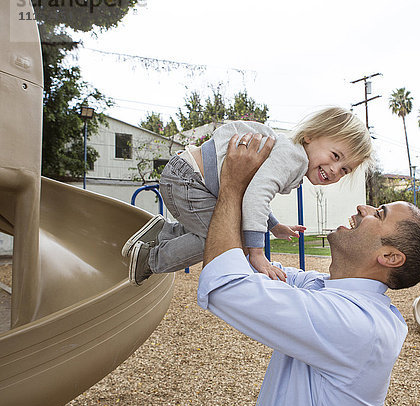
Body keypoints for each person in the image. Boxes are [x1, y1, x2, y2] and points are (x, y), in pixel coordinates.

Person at [198, 133, 420, 406]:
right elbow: (241, 264)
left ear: (389, 257)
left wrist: (232, 186)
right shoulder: (324, 289)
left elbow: (225, 286)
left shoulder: (357, 324)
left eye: (380, 214)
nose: (363, 208)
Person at [123, 106, 373, 285]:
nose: (334, 170)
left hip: (187, 176)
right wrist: (256, 252)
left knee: (218, 230)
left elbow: (252, 194)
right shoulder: (294, 157)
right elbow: (256, 196)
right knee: (221, 242)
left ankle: (162, 233)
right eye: (335, 156)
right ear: (310, 136)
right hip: (190, 181)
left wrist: (274, 226)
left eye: (344, 170)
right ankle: (150, 259)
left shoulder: (290, 155)